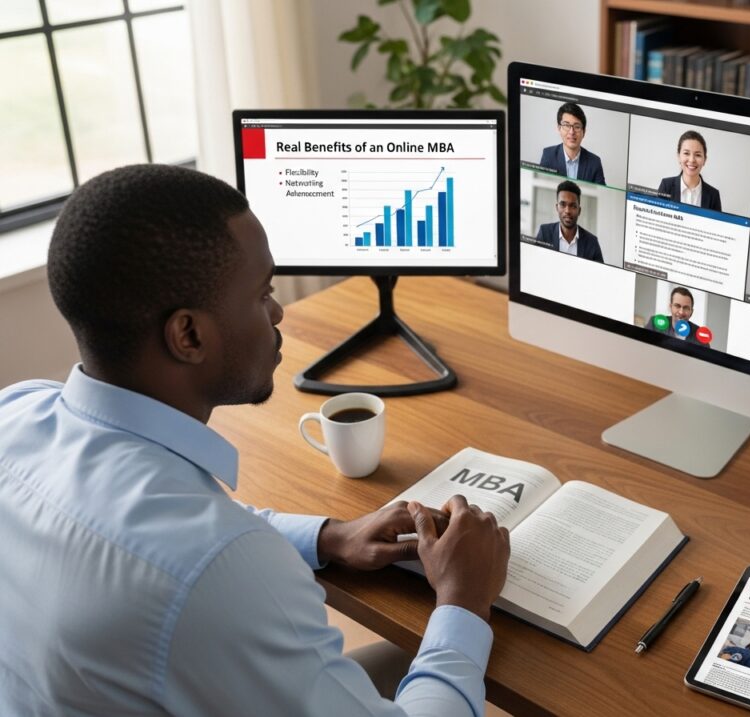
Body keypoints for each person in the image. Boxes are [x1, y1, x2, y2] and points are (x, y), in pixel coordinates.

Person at [0, 164, 511, 716]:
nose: (277, 310)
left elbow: (173, 536)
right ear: (189, 334)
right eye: (262, 292)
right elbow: (202, 562)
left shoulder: (16, 413)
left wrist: (330, 536)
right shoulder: (220, 573)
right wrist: (463, 598)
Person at [538, 101, 606, 185]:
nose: (571, 132)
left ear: (583, 132)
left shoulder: (594, 162)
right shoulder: (548, 156)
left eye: (577, 127)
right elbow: (542, 185)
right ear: (559, 128)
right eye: (566, 125)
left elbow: (601, 191)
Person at [536, 180, 604, 262]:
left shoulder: (592, 242)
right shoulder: (544, 233)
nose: (567, 210)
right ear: (557, 207)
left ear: (579, 210)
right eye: (563, 204)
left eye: (573, 206)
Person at [656, 130, 722, 211]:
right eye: (686, 153)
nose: (691, 160)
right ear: (678, 157)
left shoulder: (713, 195)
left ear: (705, 160)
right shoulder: (666, 186)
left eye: (698, 155)